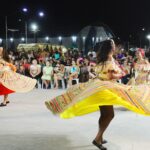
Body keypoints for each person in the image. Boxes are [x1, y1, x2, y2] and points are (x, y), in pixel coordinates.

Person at [45, 40, 150, 150]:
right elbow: (109, 75)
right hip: (104, 89)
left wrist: (120, 72)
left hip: (100, 87)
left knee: (105, 114)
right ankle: (97, 139)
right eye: (114, 45)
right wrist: (122, 73)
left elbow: (102, 72)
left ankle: (100, 137)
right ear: (110, 47)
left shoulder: (105, 58)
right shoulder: (109, 58)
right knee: (109, 115)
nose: (115, 47)